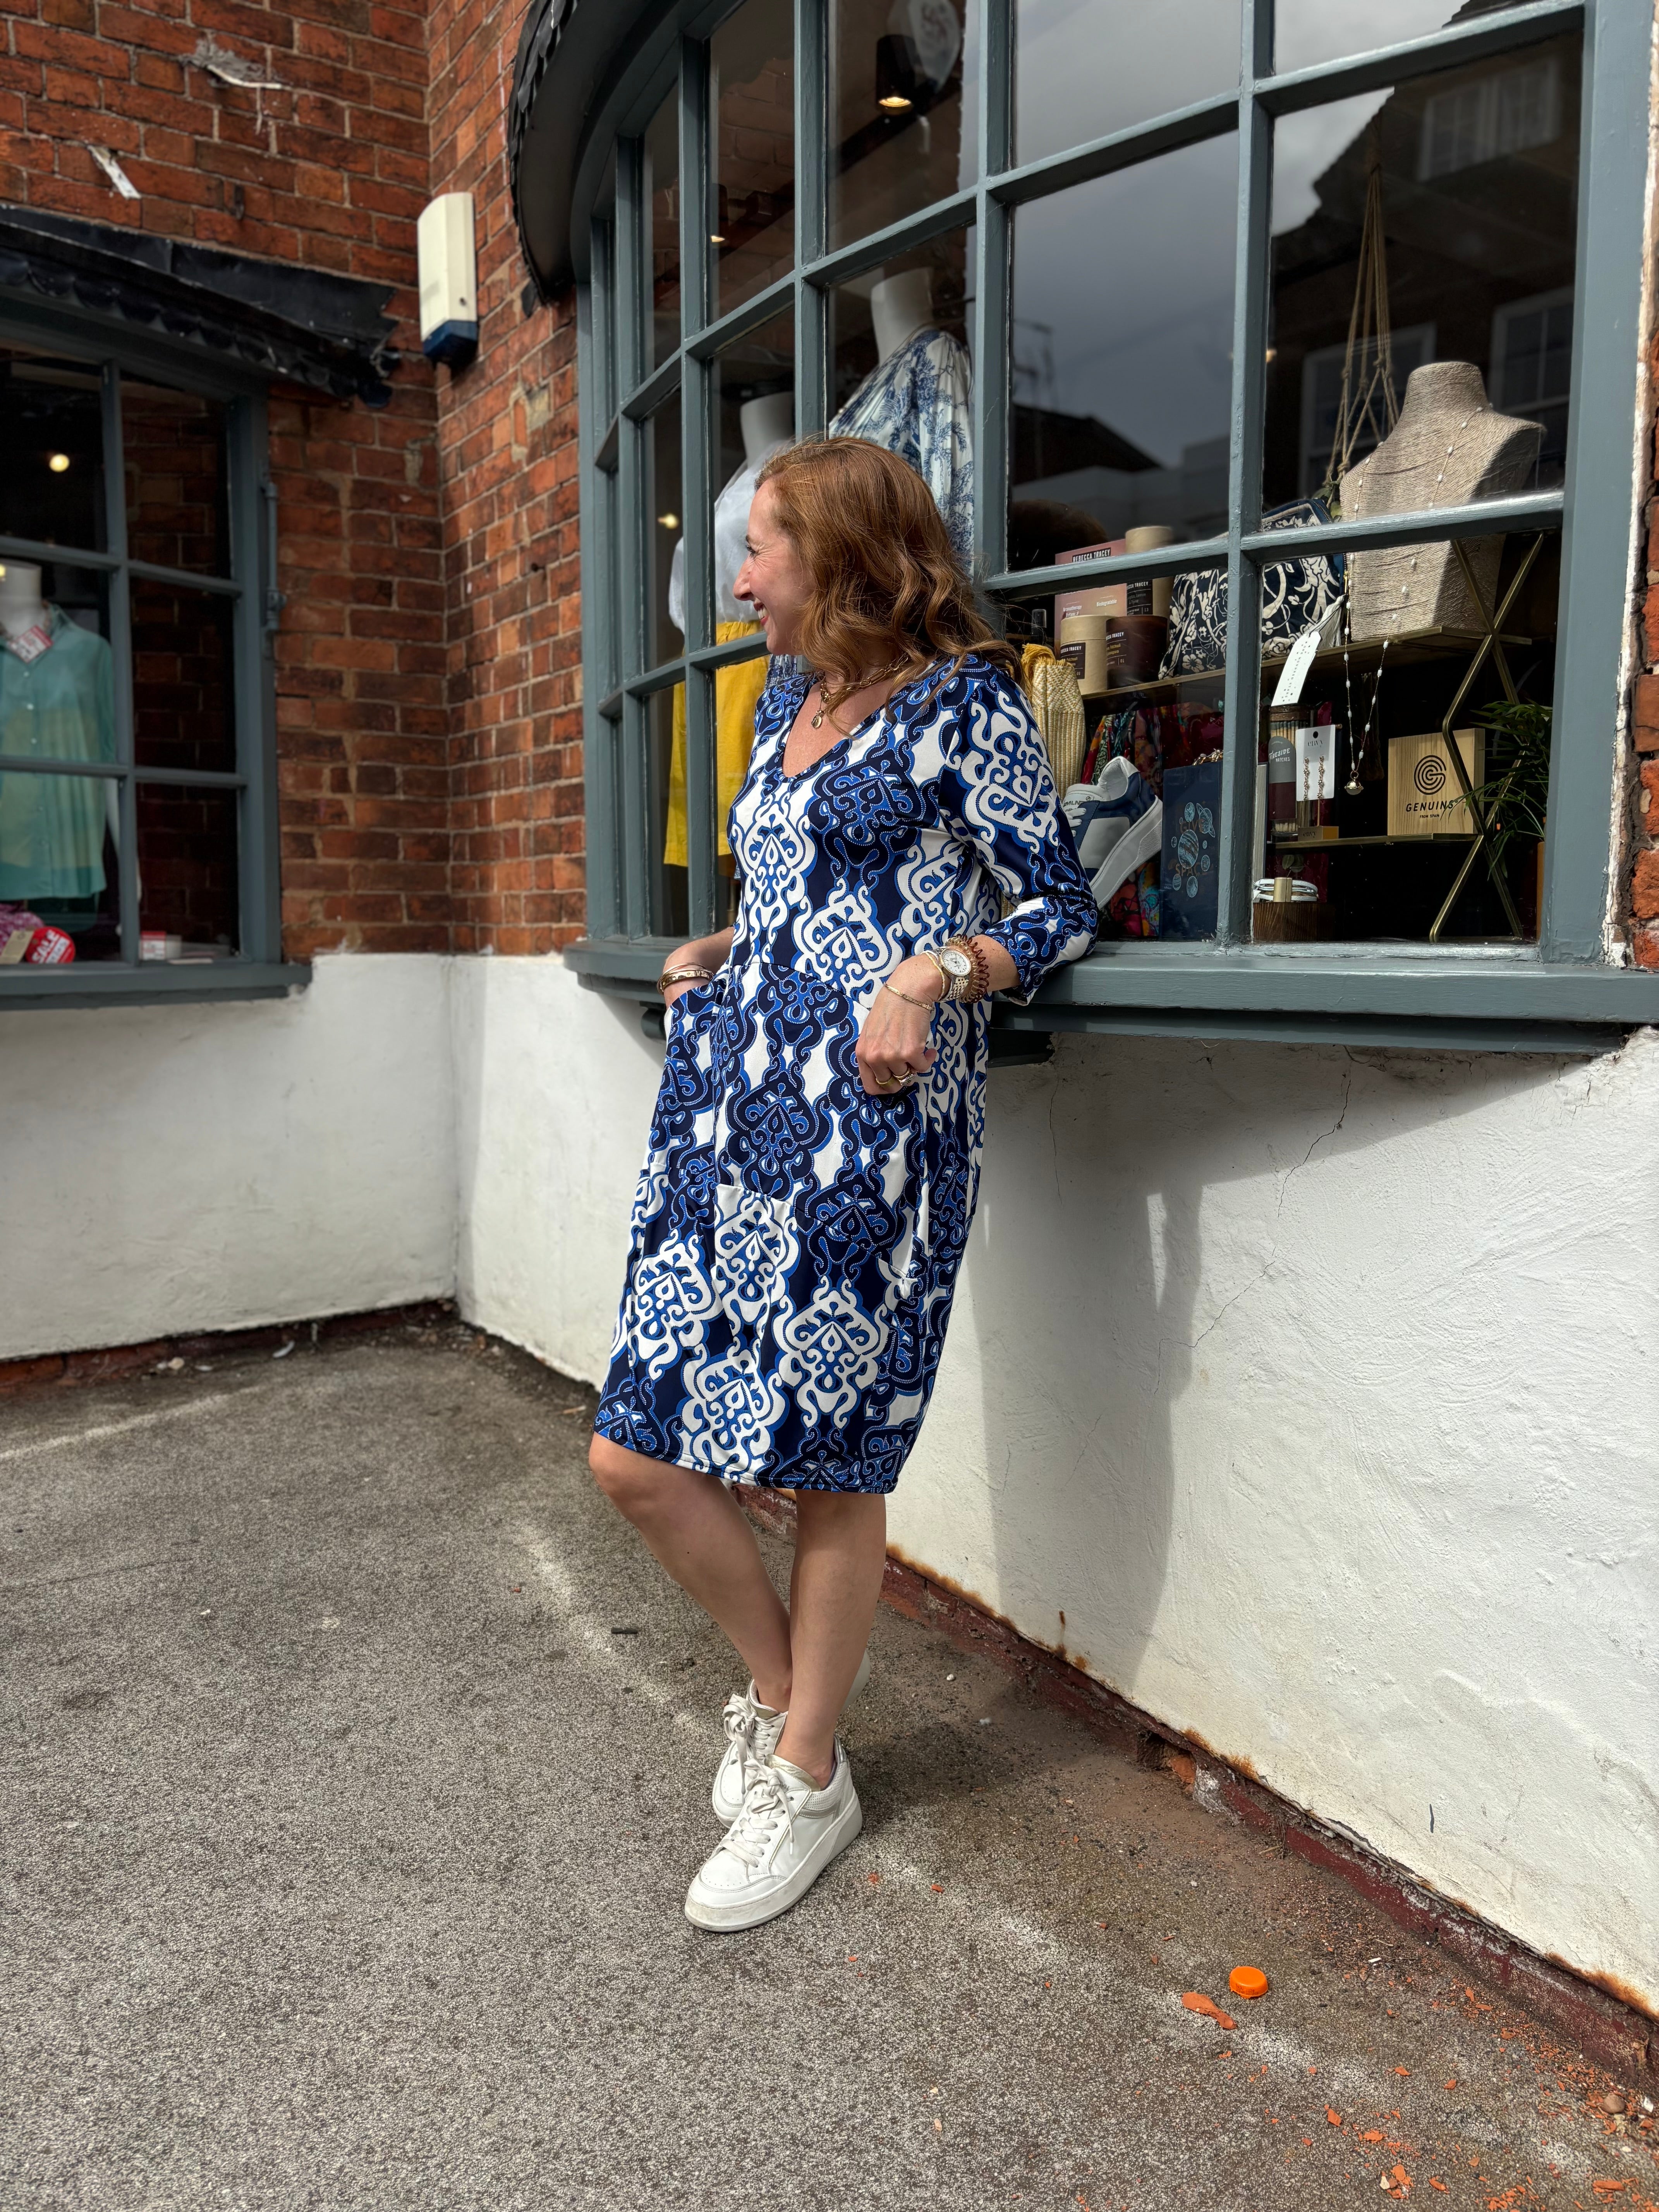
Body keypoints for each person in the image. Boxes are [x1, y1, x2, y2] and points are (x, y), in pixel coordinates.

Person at [589, 436, 1097, 1931]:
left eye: (761, 549)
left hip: (866, 1135)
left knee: (825, 1462)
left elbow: (1055, 903)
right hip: (727, 1103)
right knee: (637, 1451)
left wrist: (939, 970)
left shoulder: (965, 706)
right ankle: (779, 1694)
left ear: (849, 557)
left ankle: (807, 1772)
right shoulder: (778, 708)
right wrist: (725, 953)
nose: (738, 580)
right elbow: (790, 893)